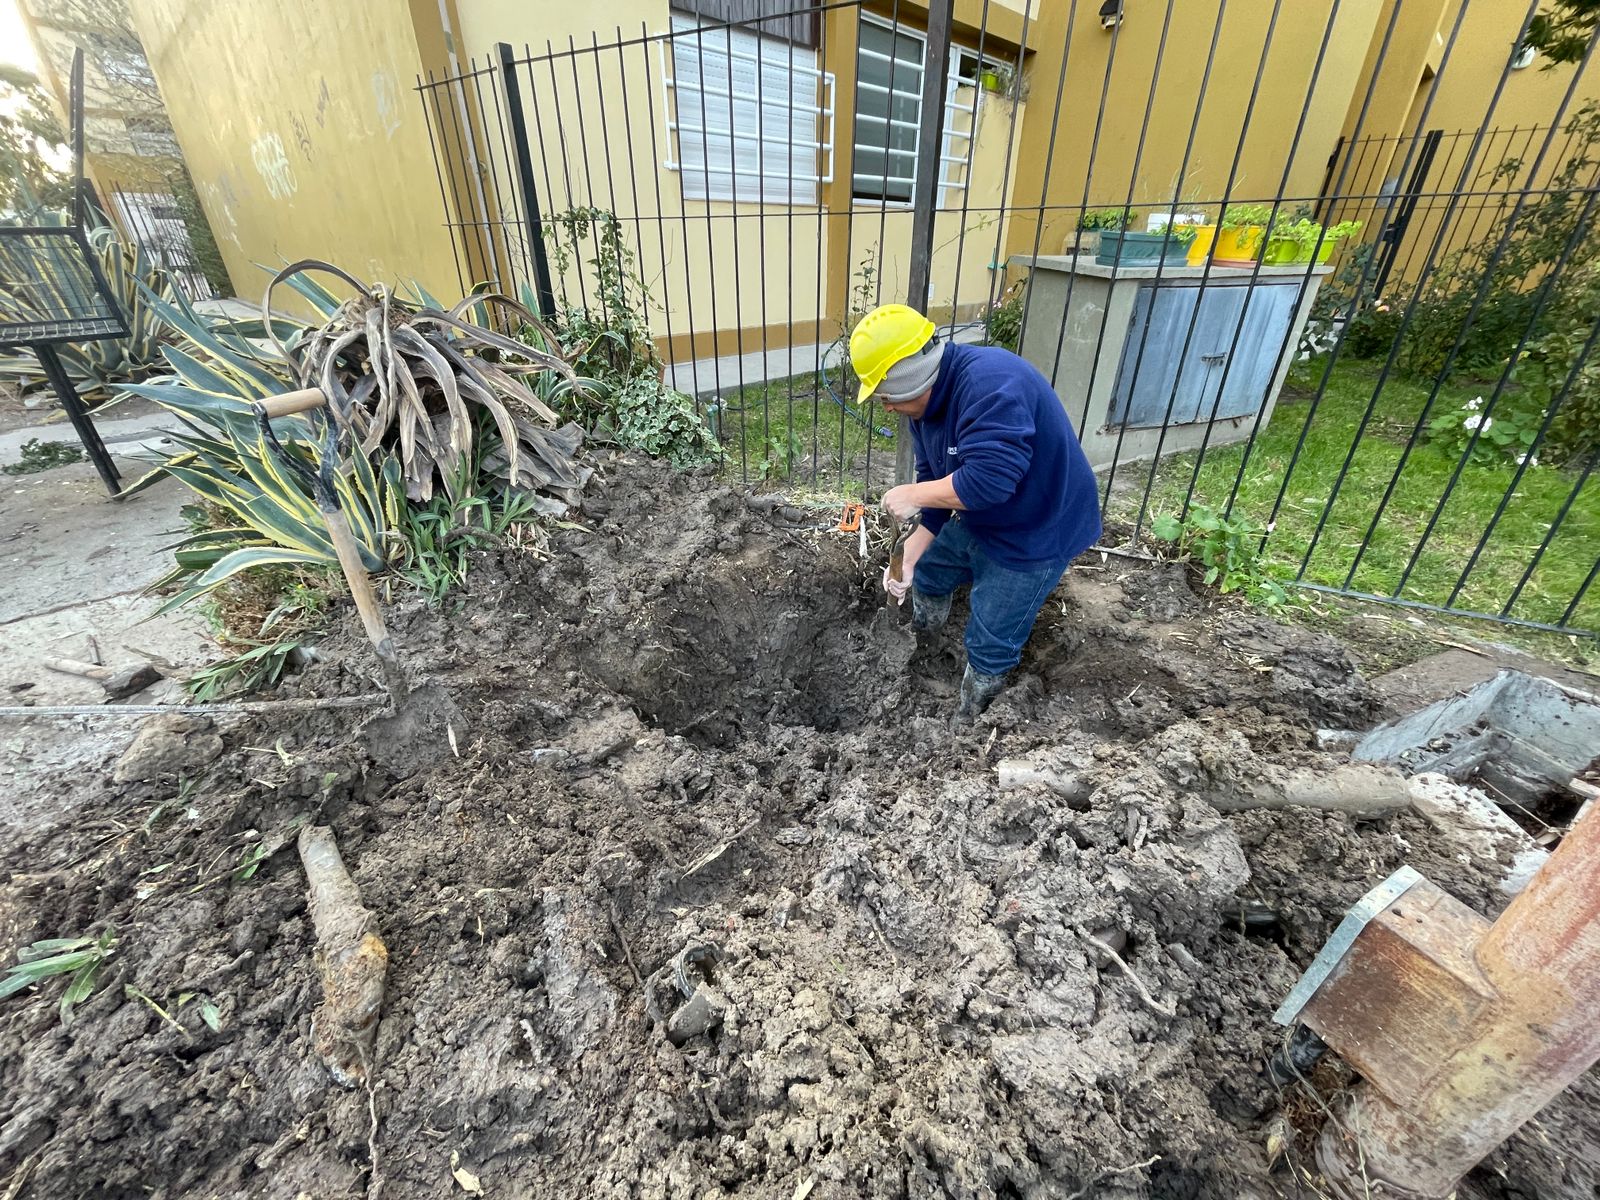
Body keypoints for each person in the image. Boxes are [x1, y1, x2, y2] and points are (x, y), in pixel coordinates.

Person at [849, 303, 1102, 718]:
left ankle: (974, 716)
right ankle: (922, 645)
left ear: (912, 378)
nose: (888, 408)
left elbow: (991, 481)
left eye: (887, 396)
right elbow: (935, 478)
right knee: (930, 569)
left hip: (1037, 529)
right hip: (983, 514)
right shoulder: (924, 406)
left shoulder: (992, 385)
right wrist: (909, 556)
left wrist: (914, 493)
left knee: (990, 638)